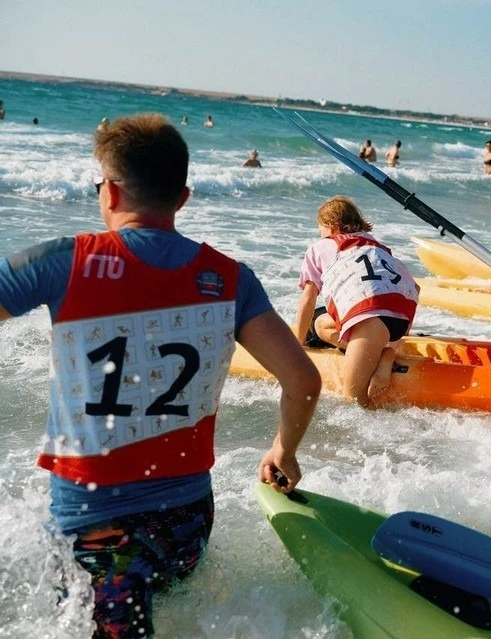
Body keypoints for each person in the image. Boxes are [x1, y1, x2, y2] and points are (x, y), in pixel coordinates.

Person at [0, 114, 321, 637]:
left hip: (93, 526)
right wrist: (284, 450)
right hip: (186, 524)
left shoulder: (65, 261)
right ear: (183, 197)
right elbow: (303, 380)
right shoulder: (232, 279)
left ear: (110, 191)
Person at [296, 195, 419, 405]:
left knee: (354, 403)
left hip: (368, 317)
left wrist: (296, 346)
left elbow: (308, 299)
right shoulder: (376, 246)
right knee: (321, 323)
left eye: (321, 229)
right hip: (399, 318)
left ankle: (384, 356)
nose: (321, 234)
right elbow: (415, 287)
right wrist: (401, 334)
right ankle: (383, 350)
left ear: (331, 226)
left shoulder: (319, 248)